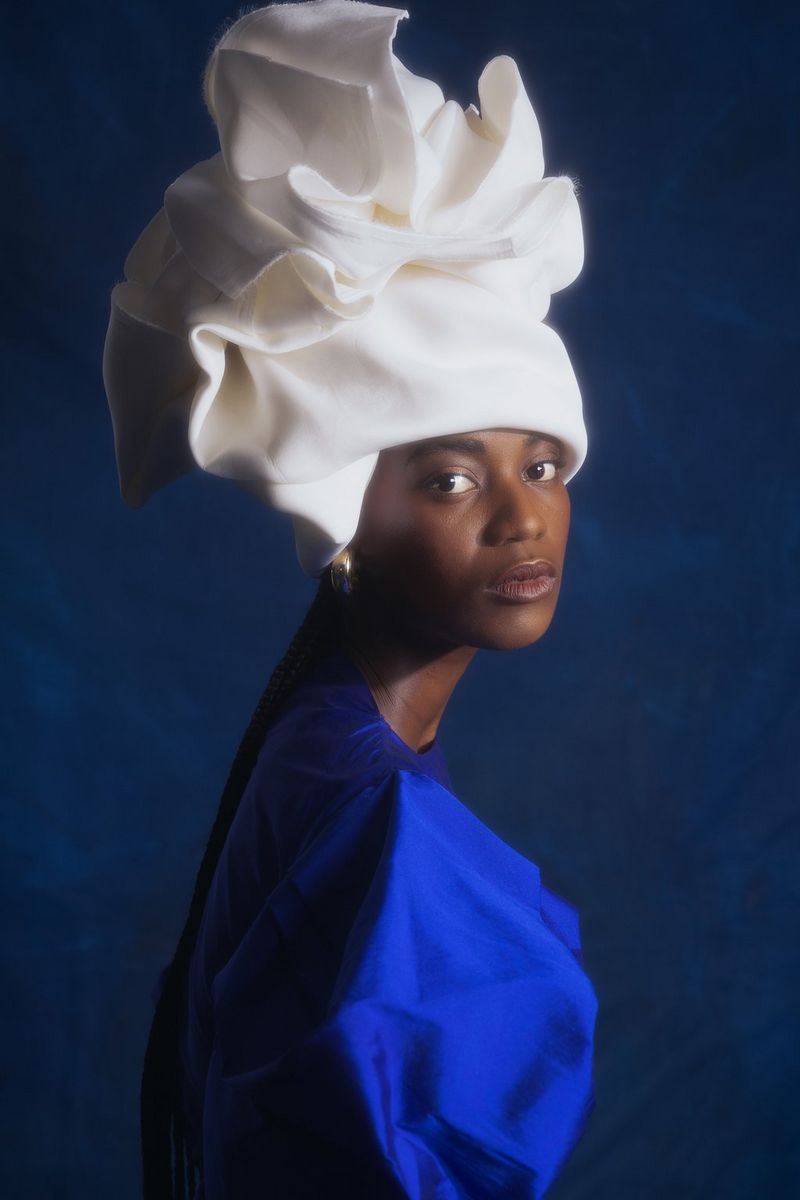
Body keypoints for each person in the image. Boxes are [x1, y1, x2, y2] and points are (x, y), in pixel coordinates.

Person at [102, 3, 599, 1197]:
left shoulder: (321, 737)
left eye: (540, 464)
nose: (520, 516)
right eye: (446, 478)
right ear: (344, 517)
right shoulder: (374, 821)